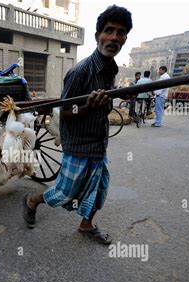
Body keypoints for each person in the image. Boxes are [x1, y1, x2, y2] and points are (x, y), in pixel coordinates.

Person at [23, 5, 133, 245]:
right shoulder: (80, 72)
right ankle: (32, 200)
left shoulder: (111, 68)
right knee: (64, 192)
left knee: (99, 187)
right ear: (97, 36)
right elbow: (64, 111)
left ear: (125, 39)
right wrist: (87, 107)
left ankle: (86, 225)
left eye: (121, 32)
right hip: (78, 144)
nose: (114, 37)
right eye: (109, 30)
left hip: (98, 142)